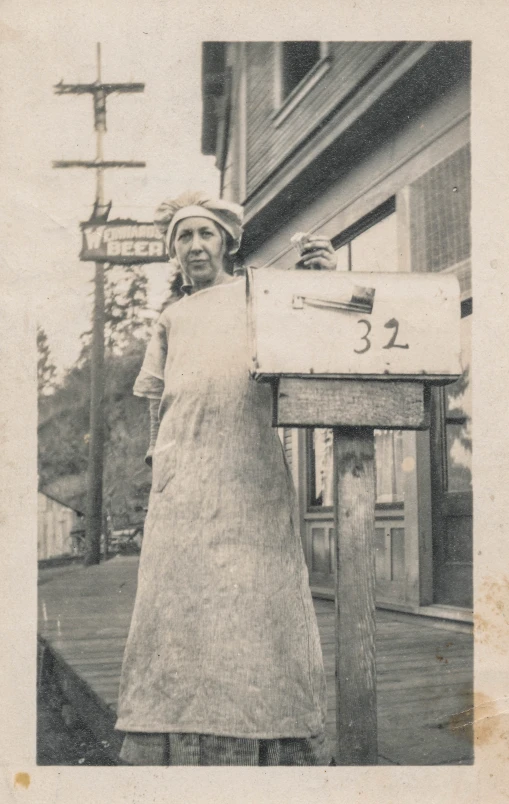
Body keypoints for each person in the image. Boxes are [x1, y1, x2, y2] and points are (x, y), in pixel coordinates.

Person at [115, 191, 338, 766]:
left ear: (226, 243)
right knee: (181, 598)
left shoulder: (256, 295)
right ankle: (177, 733)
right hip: (184, 476)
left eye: (205, 235)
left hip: (249, 469)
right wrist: (159, 464)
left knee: (259, 596)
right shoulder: (171, 317)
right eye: (184, 238)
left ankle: (275, 734)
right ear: (174, 251)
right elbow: (155, 401)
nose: (194, 247)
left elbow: (318, 318)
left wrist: (321, 278)